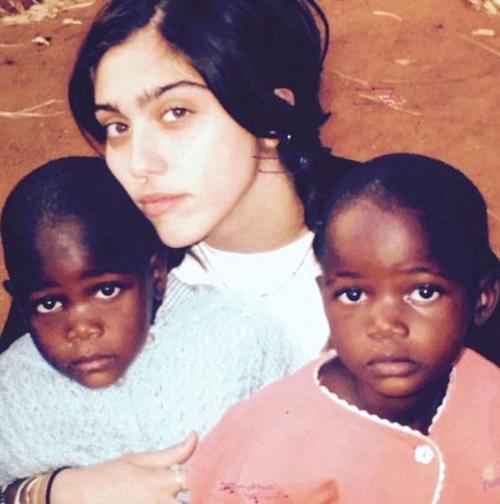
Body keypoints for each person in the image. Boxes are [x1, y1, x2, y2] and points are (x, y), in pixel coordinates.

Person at [189, 154, 500, 503]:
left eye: (423, 292)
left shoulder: (490, 399)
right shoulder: (269, 443)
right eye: (353, 295)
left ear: (482, 299)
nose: (384, 325)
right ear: (325, 297)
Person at [68, 0, 359, 363]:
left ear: (272, 114)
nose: (139, 164)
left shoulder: (403, 234)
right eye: (117, 126)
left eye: (176, 112)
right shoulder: (88, 263)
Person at [0, 157, 295, 502]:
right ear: (19, 300)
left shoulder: (237, 333)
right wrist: (48, 493)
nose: (81, 328)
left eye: (106, 290)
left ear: (155, 274)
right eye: (49, 303)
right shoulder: (14, 388)